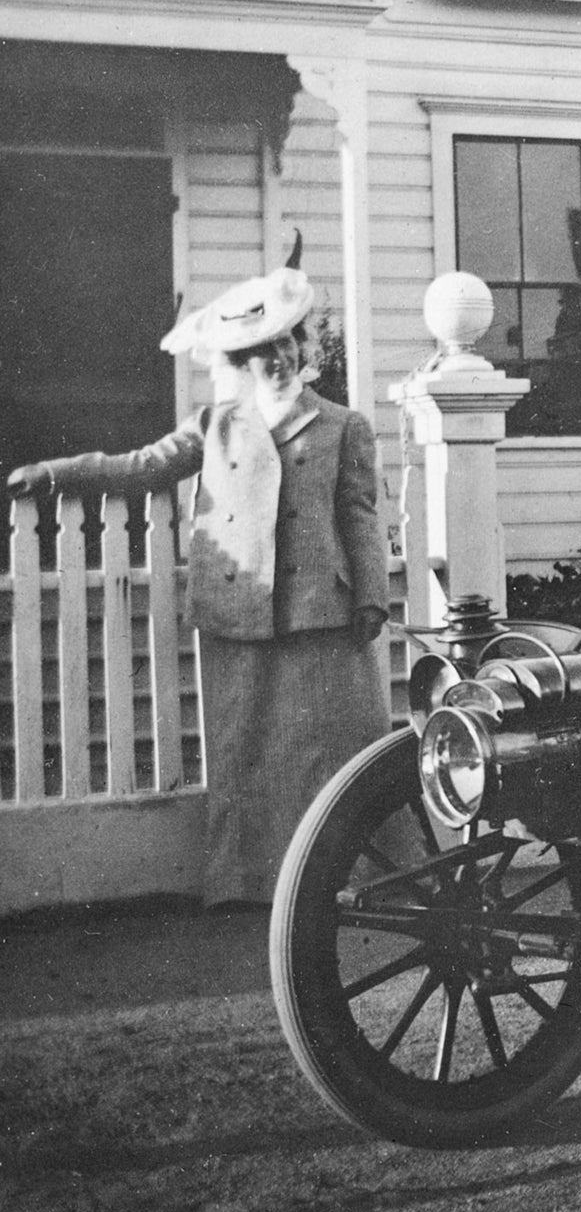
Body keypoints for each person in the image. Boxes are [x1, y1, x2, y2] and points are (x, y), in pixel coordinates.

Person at [6, 261, 390, 908]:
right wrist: (55, 473)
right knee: (246, 754)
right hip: (241, 607)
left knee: (328, 752)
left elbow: (359, 513)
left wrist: (373, 594)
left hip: (321, 609)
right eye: (259, 352)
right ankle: (249, 886)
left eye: (287, 345)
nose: (278, 359)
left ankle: (348, 879)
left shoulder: (342, 426)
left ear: (304, 350)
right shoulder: (216, 424)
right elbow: (141, 466)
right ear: (238, 362)